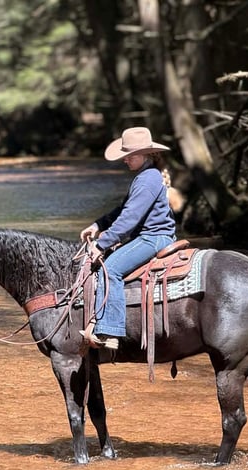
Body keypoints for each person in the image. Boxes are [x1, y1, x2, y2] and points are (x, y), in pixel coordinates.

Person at [80, 126, 177, 350]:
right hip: (154, 236)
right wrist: (98, 225)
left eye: (130, 155)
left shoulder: (147, 180)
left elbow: (129, 219)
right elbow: (123, 210)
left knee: (110, 269)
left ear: (145, 154)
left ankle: (110, 332)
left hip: (153, 237)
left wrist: (101, 244)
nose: (125, 160)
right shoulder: (147, 176)